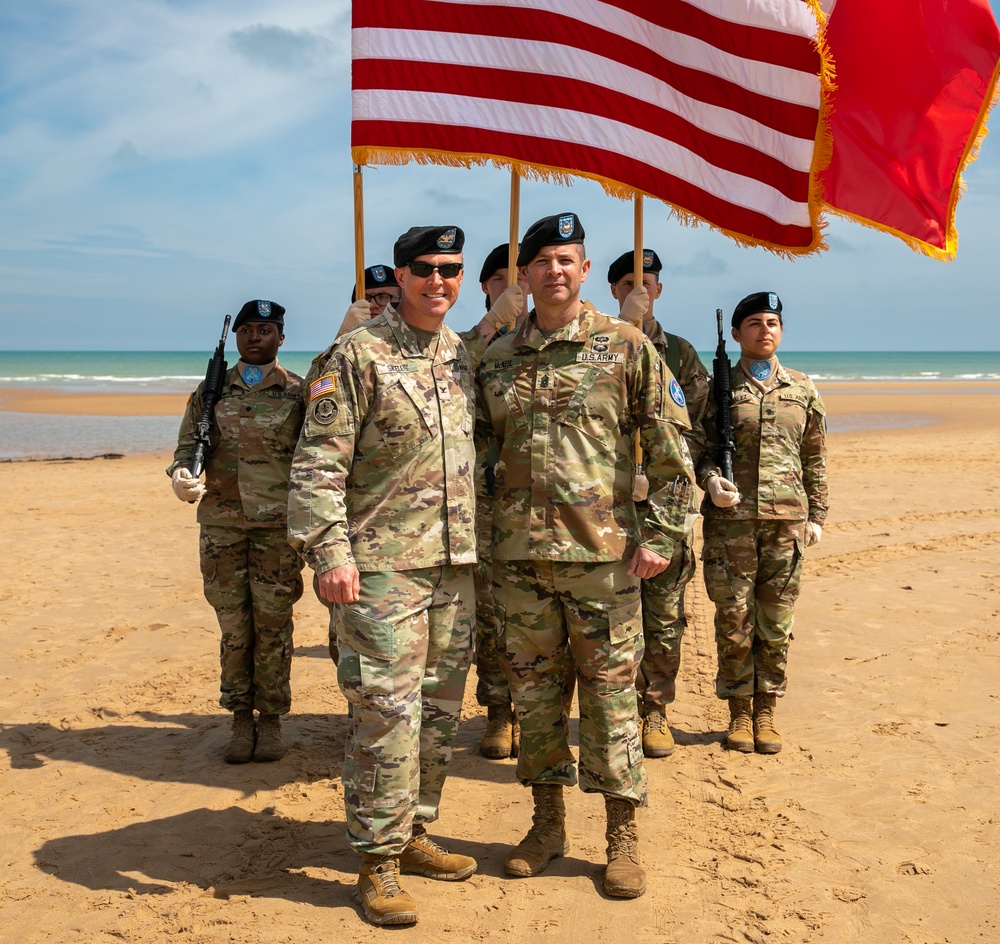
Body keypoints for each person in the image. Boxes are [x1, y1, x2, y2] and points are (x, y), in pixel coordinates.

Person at [475, 213, 695, 899]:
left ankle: (621, 836)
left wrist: (660, 537)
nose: (554, 271)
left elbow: (671, 451)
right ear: (525, 275)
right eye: (541, 261)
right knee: (535, 701)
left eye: (566, 259)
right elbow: (474, 453)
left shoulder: (624, 347)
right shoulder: (498, 357)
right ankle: (546, 826)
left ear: (585, 268)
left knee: (610, 703)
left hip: (603, 562)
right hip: (519, 564)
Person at [288, 225, 478, 927]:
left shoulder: (462, 356)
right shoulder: (357, 355)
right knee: (385, 716)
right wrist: (330, 554)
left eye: (451, 269)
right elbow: (316, 465)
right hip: (380, 569)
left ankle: (415, 830)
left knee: (438, 713)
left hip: (454, 568)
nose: (439, 281)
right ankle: (377, 861)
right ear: (399, 276)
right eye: (425, 269)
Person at [168, 299, 305, 764]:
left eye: (264, 330)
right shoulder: (211, 392)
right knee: (233, 628)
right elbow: (189, 446)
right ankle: (239, 718)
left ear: (280, 338)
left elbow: (315, 458)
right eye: (246, 329)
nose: (253, 337)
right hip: (222, 525)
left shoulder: (297, 393)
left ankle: (270, 720)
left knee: (273, 626)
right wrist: (181, 476)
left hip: (276, 529)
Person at [696, 292, 828, 754]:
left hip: (786, 523)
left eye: (772, 322)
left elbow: (814, 457)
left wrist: (818, 515)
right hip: (731, 525)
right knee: (734, 619)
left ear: (782, 331)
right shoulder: (716, 387)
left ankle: (767, 708)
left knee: (776, 622)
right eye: (753, 323)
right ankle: (738, 711)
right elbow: (700, 451)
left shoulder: (802, 388)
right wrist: (711, 481)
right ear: (736, 335)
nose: (764, 330)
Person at [607, 249, 710, 758]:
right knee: (604, 616)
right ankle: (610, 711)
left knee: (664, 617)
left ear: (660, 289)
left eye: (645, 281)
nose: (637, 290)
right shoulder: (598, 344)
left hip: (663, 505)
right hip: (606, 506)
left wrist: (679, 479)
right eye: (626, 282)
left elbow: (700, 430)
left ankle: (654, 711)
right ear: (612, 291)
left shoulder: (682, 354)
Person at [470, 242, 530, 760]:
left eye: (521, 281)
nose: (514, 291)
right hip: (486, 504)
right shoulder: (463, 344)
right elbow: (442, 379)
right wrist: (490, 327)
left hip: (547, 505)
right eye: (500, 283)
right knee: (490, 614)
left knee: (536, 616)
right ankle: (498, 711)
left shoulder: (550, 341)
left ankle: (534, 712)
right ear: (484, 288)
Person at [336, 264, 402, 339]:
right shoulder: (351, 344)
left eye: (383, 297)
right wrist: (345, 330)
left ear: (401, 300)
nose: (372, 304)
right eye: (366, 298)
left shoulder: (414, 337)